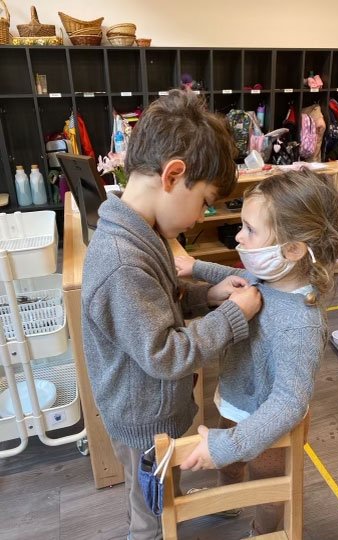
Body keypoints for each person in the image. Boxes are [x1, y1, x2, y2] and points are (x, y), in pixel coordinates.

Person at [81, 89, 262, 540]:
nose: (201, 218)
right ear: (173, 175)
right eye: (203, 201)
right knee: (151, 515)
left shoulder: (142, 232)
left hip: (153, 411)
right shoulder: (123, 260)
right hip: (145, 421)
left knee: (162, 494)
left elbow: (160, 307)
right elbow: (163, 352)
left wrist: (207, 295)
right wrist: (234, 316)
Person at [176, 169, 338, 535]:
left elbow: (289, 403)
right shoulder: (269, 274)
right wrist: (196, 267)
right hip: (236, 398)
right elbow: (234, 276)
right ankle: (228, 503)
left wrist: (226, 445)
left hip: (271, 424)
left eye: (249, 230)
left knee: (267, 488)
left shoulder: (300, 324)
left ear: (294, 249)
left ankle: (263, 531)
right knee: (232, 467)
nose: (238, 236)